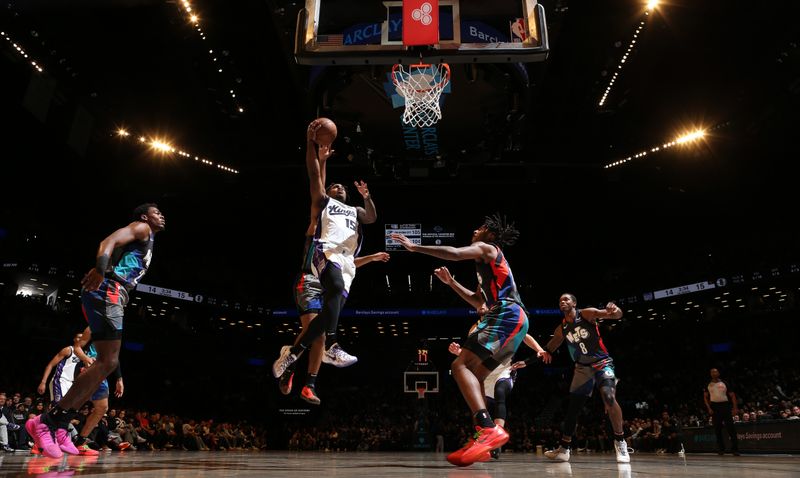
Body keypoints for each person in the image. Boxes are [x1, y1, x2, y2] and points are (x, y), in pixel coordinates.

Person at [25, 203, 165, 459]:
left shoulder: (147, 237)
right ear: (145, 217)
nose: (161, 215)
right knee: (107, 361)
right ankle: (48, 421)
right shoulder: (141, 227)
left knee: (106, 363)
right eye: (157, 212)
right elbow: (107, 242)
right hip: (109, 289)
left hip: (114, 292)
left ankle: (58, 424)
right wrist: (101, 270)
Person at [391, 214, 527, 466]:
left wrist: (414, 247)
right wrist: (451, 282)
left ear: (491, 235)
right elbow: (478, 301)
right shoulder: (486, 267)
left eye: (482, 227)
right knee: (474, 376)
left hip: (507, 313)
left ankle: (487, 429)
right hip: (514, 318)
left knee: (459, 365)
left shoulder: (487, 248)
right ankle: (483, 435)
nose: (476, 229)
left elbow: (453, 253)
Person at [272, 120, 377, 380]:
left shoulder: (354, 210)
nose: (338, 187)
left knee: (331, 311)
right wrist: (313, 146)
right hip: (325, 252)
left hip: (346, 261)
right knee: (333, 291)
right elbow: (314, 174)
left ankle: (293, 353)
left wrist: (366, 196)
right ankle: (332, 346)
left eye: (342, 187)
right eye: (333, 186)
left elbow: (372, 218)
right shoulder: (323, 202)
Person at [280, 249, 389, 405]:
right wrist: (315, 223)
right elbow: (313, 227)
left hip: (328, 284)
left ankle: (309, 385)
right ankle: (290, 365)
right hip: (310, 279)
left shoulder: (346, 241)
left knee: (320, 334)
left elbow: (348, 263)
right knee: (313, 329)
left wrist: (371, 258)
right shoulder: (322, 229)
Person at [543, 293, 629, 463]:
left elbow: (617, 315)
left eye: (566, 299)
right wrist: (533, 356)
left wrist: (615, 309)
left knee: (609, 397)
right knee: (572, 409)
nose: (563, 302)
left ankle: (620, 441)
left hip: (602, 363)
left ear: (574, 303)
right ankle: (564, 449)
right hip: (582, 368)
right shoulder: (561, 329)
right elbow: (549, 347)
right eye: (560, 300)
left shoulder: (587, 314)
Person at [449, 332, 551, 459]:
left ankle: (497, 441)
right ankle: (480, 442)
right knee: (477, 407)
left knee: (500, 392)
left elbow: (524, 334)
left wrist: (539, 350)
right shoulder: (477, 328)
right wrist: (459, 352)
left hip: (503, 370)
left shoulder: (504, 320)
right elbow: (474, 353)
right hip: (484, 373)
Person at [704, 367, 740, 455]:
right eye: (712, 372)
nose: (714, 373)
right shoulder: (708, 384)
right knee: (717, 429)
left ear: (718, 373)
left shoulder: (724, 383)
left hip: (725, 406)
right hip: (715, 407)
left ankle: (735, 449)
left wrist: (735, 408)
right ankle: (721, 449)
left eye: (715, 372)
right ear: (710, 374)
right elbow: (705, 397)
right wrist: (709, 408)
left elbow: (732, 395)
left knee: (731, 428)